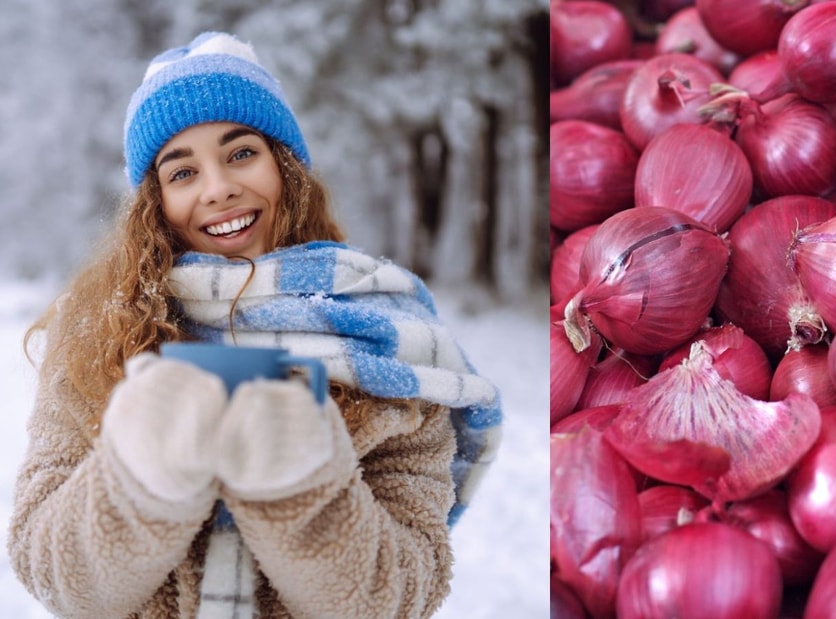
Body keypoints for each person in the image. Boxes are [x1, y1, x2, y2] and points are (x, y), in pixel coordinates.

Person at [7, 31, 502, 618]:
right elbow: (53, 575)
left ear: (285, 167)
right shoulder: (93, 331)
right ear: (153, 201)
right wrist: (139, 479)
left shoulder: (386, 333)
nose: (218, 189)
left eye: (241, 153)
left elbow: (403, 595)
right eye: (182, 172)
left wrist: (304, 485)